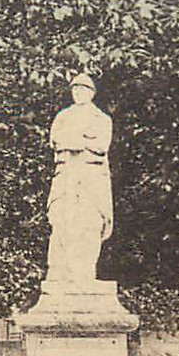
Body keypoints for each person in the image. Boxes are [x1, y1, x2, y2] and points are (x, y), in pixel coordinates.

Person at [45, 73, 114, 284]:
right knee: (62, 222)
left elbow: (101, 145)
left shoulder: (101, 118)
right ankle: (59, 272)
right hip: (66, 177)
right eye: (75, 89)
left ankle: (84, 273)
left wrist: (76, 142)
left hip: (91, 178)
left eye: (83, 89)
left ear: (91, 93)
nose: (78, 93)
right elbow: (56, 141)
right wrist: (81, 141)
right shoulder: (63, 117)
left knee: (90, 223)